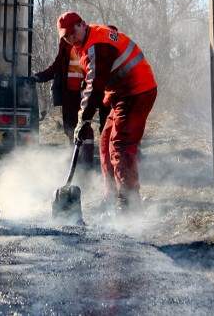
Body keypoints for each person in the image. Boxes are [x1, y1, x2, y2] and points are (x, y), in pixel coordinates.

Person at [56, 12, 157, 213]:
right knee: (105, 144)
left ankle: (128, 204)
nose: (70, 38)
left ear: (82, 24)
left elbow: (95, 86)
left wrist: (83, 120)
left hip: (136, 92)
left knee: (120, 145)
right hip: (121, 95)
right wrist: (84, 118)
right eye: (66, 36)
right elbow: (91, 81)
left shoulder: (97, 45)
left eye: (72, 33)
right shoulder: (85, 44)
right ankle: (111, 197)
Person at [27, 38, 107, 171]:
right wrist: (38, 77)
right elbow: (55, 68)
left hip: (83, 95)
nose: (70, 37)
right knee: (70, 127)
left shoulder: (88, 46)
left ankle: (86, 162)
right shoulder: (65, 48)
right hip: (68, 95)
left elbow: (95, 70)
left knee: (84, 126)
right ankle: (76, 160)